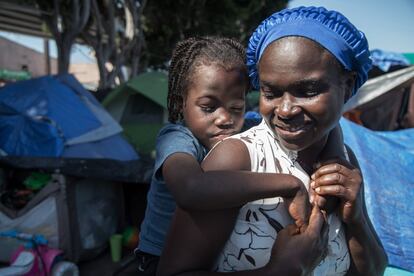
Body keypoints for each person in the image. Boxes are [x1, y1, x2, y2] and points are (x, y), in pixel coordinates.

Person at [157, 6, 388, 276]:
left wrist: (356, 217)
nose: (285, 110)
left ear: (347, 86)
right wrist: (278, 271)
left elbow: (373, 269)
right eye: (271, 92)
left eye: (307, 90)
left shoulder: (343, 160)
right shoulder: (238, 158)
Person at [136, 35, 341, 275]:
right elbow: (190, 189)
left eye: (236, 108)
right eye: (208, 107)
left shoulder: (246, 129)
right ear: (182, 103)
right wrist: (290, 185)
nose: (225, 119)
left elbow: (333, 125)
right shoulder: (177, 138)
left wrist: (335, 161)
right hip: (158, 258)